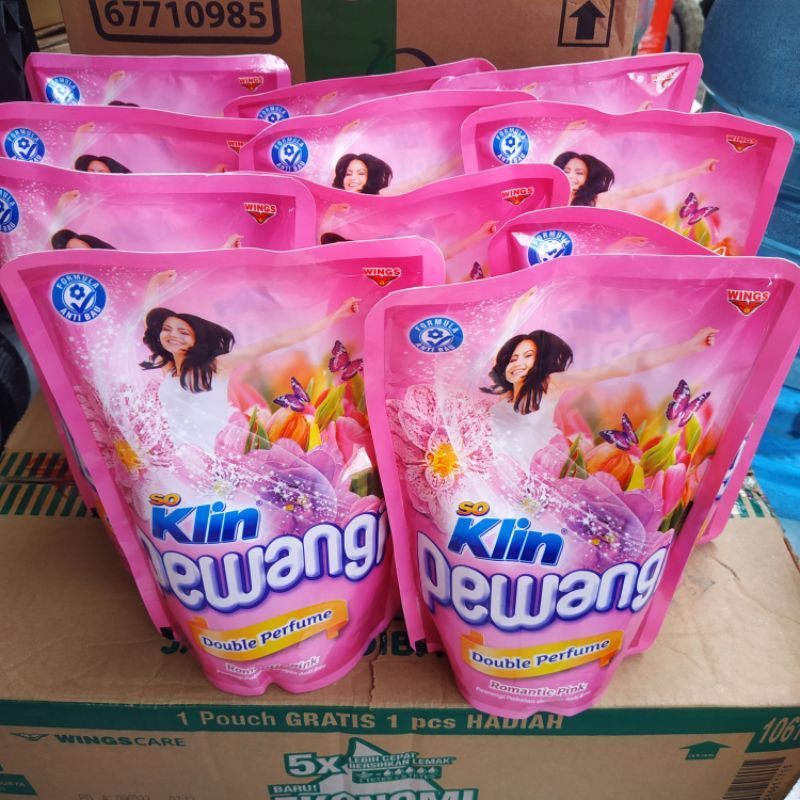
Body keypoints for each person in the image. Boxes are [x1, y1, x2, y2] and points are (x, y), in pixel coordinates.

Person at [139, 270, 360, 454]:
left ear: (197, 339)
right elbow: (149, 323)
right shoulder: (169, 370)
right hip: (180, 458)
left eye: (183, 332)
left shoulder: (217, 366)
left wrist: (334, 317)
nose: (173, 335)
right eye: (167, 329)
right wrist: (154, 284)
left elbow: (278, 341)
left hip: (217, 458)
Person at [484, 325, 718, 468]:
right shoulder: (507, 395)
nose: (518, 363)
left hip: (524, 474)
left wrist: (689, 346)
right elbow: (495, 350)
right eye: (513, 358)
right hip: (492, 468)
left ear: (540, 363)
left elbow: (623, 366)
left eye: (528, 356)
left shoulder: (550, 384)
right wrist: (517, 309)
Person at [553, 150, 719, 208]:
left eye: (579, 173)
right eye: (566, 171)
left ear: (587, 179)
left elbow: (642, 188)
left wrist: (696, 171)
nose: (572, 177)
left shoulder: (596, 201)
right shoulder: (546, 193)